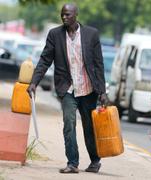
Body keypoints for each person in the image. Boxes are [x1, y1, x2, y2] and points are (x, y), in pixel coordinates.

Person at [27, 3, 107, 174]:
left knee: (89, 127)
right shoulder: (55, 34)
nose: (64, 17)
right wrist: (34, 82)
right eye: (62, 14)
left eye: (68, 14)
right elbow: (44, 60)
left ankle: (95, 161)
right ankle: (73, 163)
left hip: (88, 89)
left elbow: (98, 65)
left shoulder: (91, 34)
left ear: (76, 15)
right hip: (68, 89)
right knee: (69, 124)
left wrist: (102, 92)